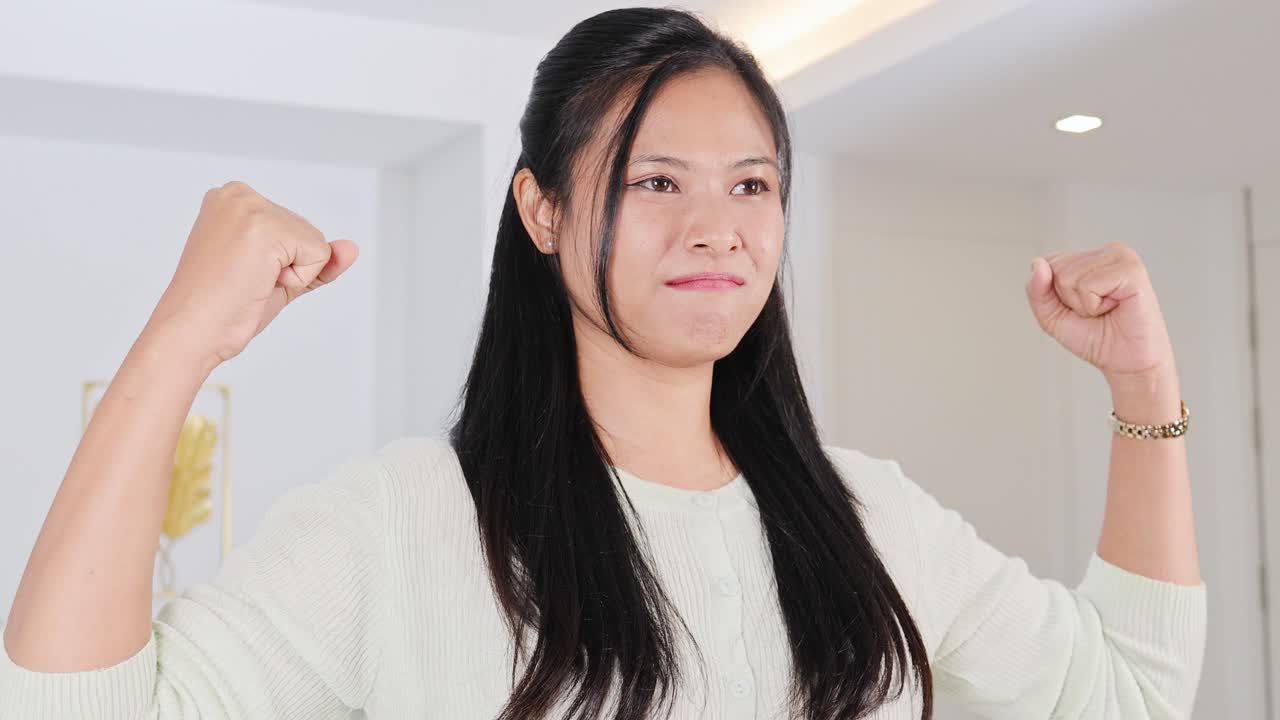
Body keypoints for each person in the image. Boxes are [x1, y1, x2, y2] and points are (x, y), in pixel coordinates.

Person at [0, 7, 1205, 720]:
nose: (717, 228)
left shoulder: (867, 517)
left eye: (751, 185)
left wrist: (1143, 390)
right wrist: (176, 343)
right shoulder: (401, 526)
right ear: (538, 207)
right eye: (652, 181)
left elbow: (1130, 690)